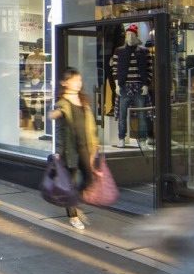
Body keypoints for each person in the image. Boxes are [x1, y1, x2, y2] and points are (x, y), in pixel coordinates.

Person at [51, 67, 100, 230]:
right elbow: (59, 131)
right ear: (64, 83)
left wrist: (94, 141)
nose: (78, 83)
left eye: (79, 80)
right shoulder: (61, 104)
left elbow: (90, 125)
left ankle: (73, 201)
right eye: (74, 80)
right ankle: (73, 216)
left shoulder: (83, 100)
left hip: (85, 146)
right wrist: (58, 152)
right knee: (69, 183)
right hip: (70, 149)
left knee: (89, 180)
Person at [112, 24, 153, 148]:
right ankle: (121, 138)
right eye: (128, 35)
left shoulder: (144, 52)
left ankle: (142, 139)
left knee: (142, 115)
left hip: (139, 86)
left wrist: (146, 84)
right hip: (124, 86)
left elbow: (149, 69)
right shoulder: (119, 51)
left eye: (133, 35)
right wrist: (117, 85)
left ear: (136, 36)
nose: (130, 37)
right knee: (122, 115)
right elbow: (115, 69)